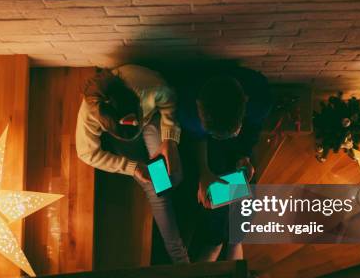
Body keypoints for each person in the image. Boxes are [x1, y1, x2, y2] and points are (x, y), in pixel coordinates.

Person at [76, 65, 189, 264]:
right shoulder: (90, 114)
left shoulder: (150, 86)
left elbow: (169, 99)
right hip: (125, 141)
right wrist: (132, 167)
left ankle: (217, 191)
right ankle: (181, 261)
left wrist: (169, 139)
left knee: (173, 177)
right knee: (157, 187)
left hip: (152, 120)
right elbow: (87, 153)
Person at [175, 66, 272, 261]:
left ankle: (227, 239)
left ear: (246, 101)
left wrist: (245, 154)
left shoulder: (260, 97)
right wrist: (205, 171)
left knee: (242, 188)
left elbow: (253, 127)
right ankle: (220, 239)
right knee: (219, 191)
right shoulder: (188, 109)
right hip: (209, 146)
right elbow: (196, 137)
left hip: (237, 141)